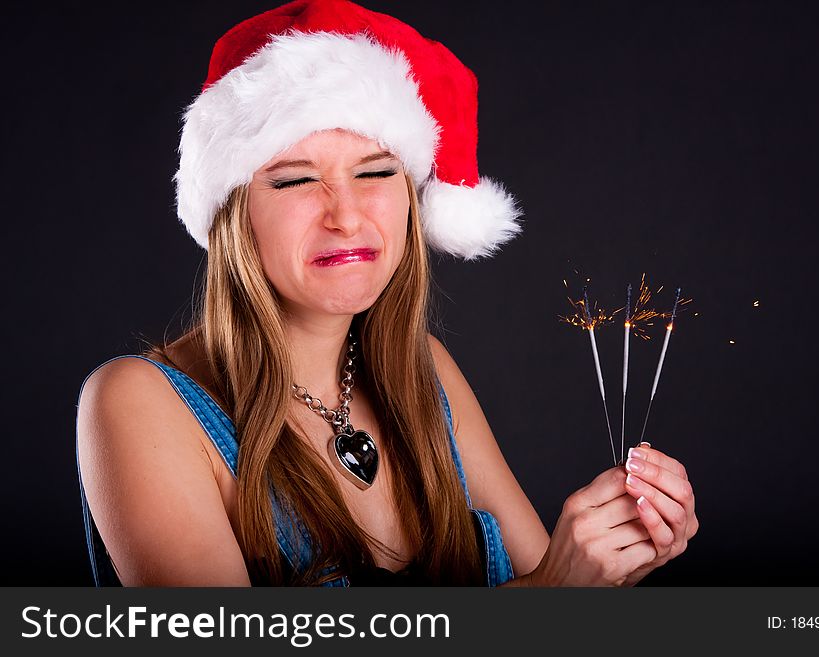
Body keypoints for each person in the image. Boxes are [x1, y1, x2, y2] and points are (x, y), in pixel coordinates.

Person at [75, 0, 697, 587]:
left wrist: (610, 563)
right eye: (295, 181)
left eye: (374, 172)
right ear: (235, 213)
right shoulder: (136, 403)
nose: (346, 216)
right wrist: (554, 594)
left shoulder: (425, 370)